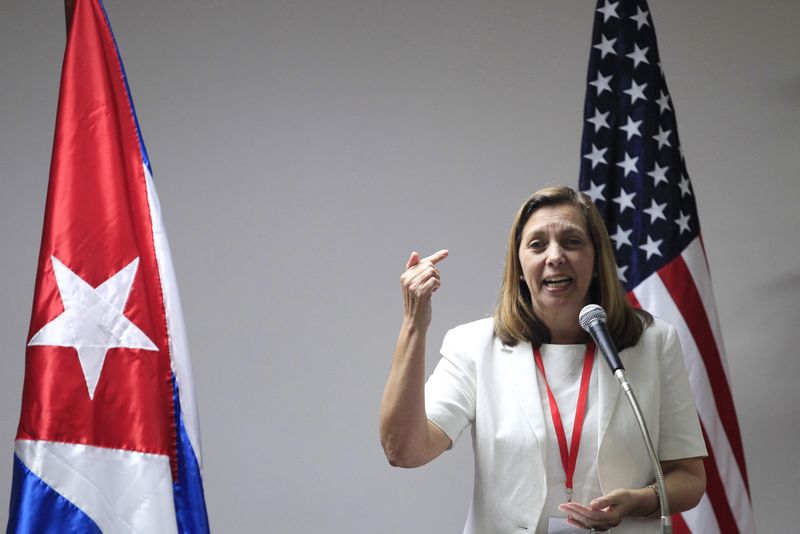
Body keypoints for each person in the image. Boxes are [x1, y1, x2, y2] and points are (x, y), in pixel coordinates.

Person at [379, 186, 706, 533]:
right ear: (519, 266)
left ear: (596, 261)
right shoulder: (474, 346)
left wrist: (641, 500)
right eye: (537, 245)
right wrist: (414, 324)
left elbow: (689, 477)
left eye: (572, 242)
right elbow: (405, 450)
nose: (555, 256)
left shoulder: (654, 342)